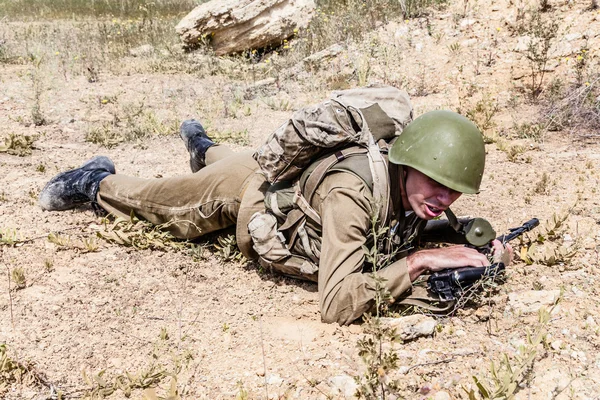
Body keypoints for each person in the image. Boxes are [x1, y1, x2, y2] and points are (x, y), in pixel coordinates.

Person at [39, 101, 512, 325]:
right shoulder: (352, 193)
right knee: (165, 206)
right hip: (247, 194)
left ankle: (202, 146)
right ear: (406, 163)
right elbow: (335, 304)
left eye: (453, 192)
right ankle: (93, 179)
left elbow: (426, 221)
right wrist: (419, 261)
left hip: (272, 175)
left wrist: (471, 247)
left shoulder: (413, 187)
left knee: (229, 156)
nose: (442, 200)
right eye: (435, 184)